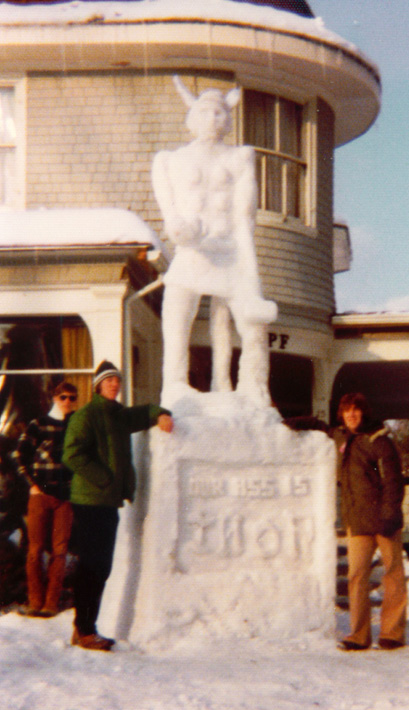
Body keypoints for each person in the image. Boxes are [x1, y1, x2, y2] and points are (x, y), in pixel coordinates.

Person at [152, 77, 277, 406]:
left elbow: (244, 217)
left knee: (252, 325)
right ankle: (175, 386)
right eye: (206, 111)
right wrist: (177, 226)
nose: (213, 119)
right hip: (193, 251)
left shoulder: (240, 157)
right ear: (192, 116)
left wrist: (252, 272)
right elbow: (170, 212)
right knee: (177, 312)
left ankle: (255, 388)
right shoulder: (169, 160)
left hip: (230, 252)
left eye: (220, 112)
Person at [62, 361, 174, 651]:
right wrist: (105, 479)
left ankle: (84, 628)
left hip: (106, 502)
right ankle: (85, 630)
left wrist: (162, 415)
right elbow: (71, 454)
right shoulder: (87, 415)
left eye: (117, 381)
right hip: (90, 501)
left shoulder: (119, 415)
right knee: (92, 566)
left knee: (100, 566)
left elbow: (145, 411)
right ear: (98, 385)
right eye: (109, 380)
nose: (114, 385)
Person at [287, 392, 407, 651]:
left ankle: (392, 633)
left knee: (393, 574)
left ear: (364, 413)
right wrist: (295, 422)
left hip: (384, 520)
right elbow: (322, 428)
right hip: (358, 521)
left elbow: (393, 482)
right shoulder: (342, 437)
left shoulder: (379, 441)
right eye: (347, 411)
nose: (351, 415)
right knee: (356, 576)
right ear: (342, 414)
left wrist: (389, 514)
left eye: (356, 410)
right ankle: (359, 635)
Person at [12, 381, 79, 617]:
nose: (68, 402)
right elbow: (20, 454)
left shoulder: (77, 425)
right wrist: (33, 484)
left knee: (60, 551)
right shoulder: (38, 424)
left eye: (72, 398)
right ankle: (35, 601)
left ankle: (51, 603)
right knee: (35, 549)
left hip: (65, 498)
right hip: (40, 496)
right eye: (63, 397)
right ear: (54, 398)